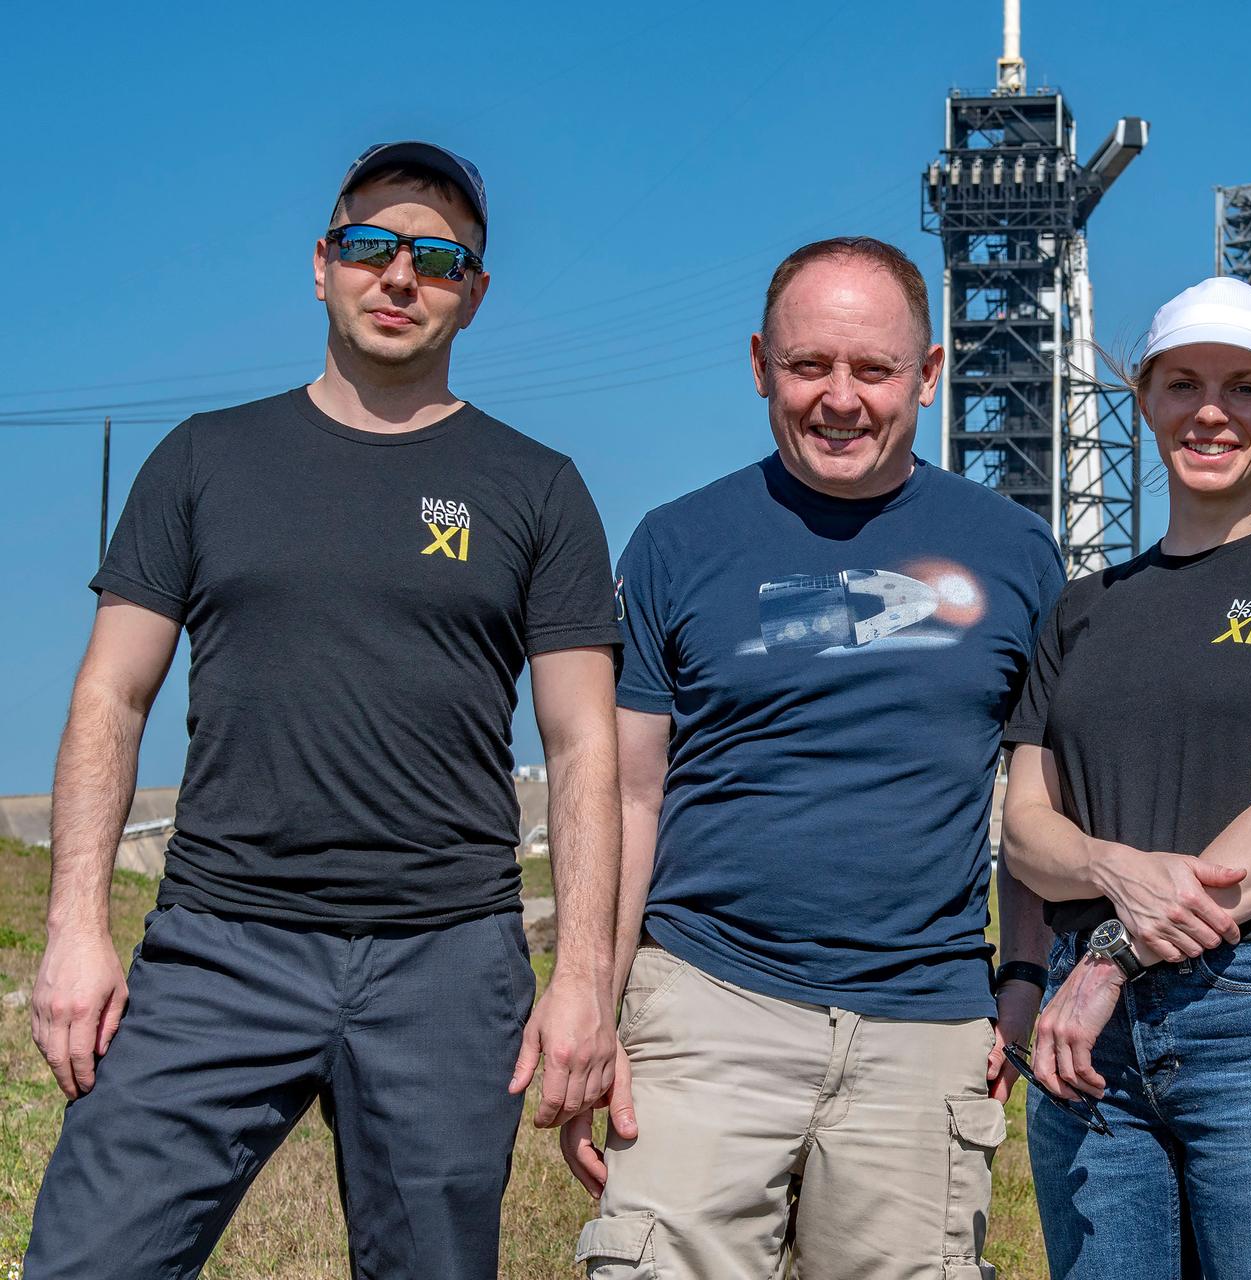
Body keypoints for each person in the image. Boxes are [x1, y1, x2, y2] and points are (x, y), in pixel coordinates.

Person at [26, 141, 624, 1279]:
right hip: (218, 945)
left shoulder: (537, 487)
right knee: (86, 1259)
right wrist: (73, 927)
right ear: (322, 264)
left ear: (476, 293)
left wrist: (584, 980)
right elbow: (112, 691)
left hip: (447, 961)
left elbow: (585, 741)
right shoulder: (206, 459)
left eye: (440, 259)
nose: (400, 277)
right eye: (370, 245)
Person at [563, 236, 1065, 1279]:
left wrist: (1020, 978)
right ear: (759, 364)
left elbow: (1036, 800)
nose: (840, 398)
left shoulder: (1016, 557)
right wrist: (596, 1002)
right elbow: (629, 794)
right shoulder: (675, 544)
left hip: (922, 1022)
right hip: (709, 1003)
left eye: (874, 369)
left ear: (929, 374)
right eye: (808, 367)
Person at [999, 275, 1251, 1279]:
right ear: (1141, 395)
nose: (1211, 412)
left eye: (1245, 387)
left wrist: (1108, 956)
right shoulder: (1080, 609)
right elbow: (1024, 829)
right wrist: (1110, 867)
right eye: (1182, 384)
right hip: (1089, 1044)